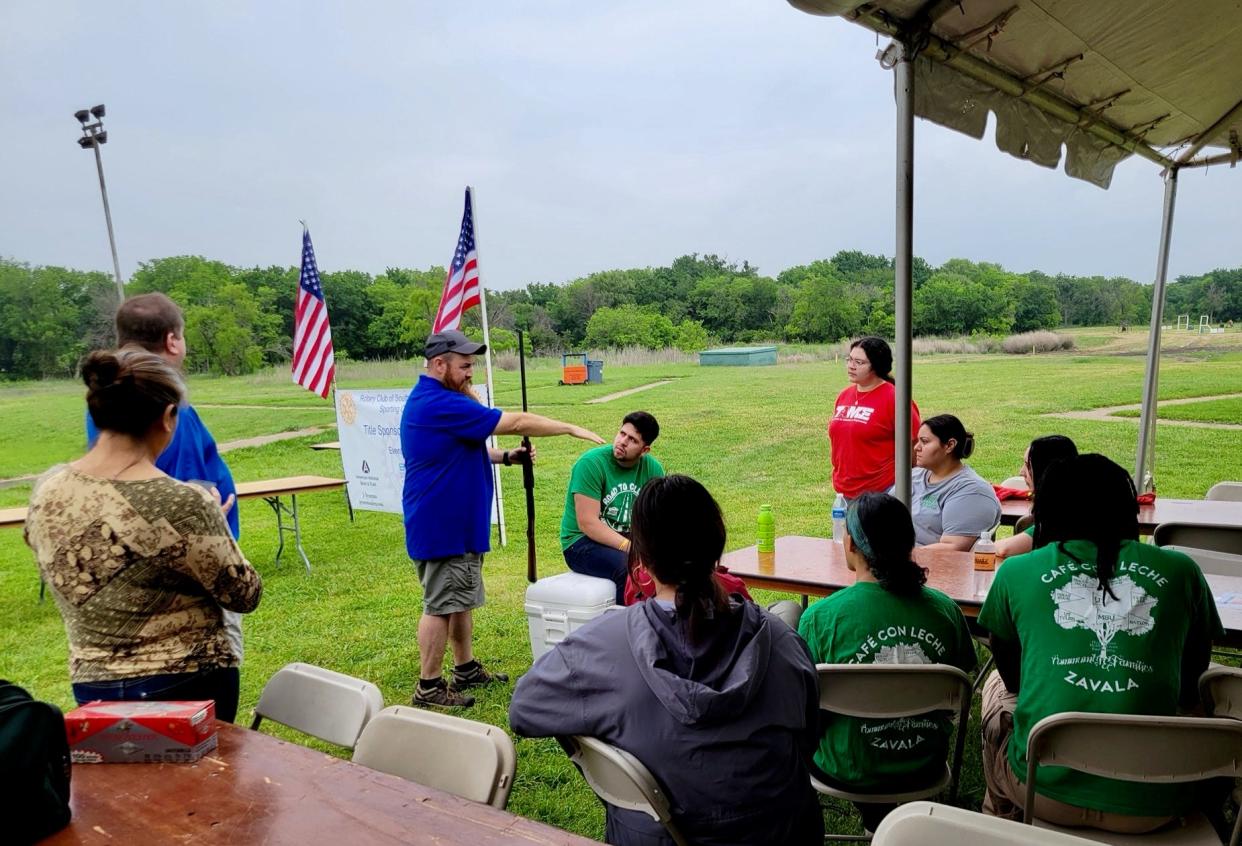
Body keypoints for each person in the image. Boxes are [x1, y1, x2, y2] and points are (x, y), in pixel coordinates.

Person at [510, 475, 823, 846]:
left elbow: (525, 709)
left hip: (659, 836)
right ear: (718, 544)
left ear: (641, 558)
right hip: (780, 834)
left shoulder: (600, 647)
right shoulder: (782, 639)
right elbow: (808, 733)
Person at [977, 454, 1222, 832]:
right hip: (1155, 802)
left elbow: (1010, 673)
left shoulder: (1016, 571)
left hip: (1041, 793)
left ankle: (1001, 822)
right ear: (1125, 507)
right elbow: (1193, 675)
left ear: (1047, 509)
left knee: (993, 688)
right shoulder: (1181, 570)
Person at [25, 349, 262, 723]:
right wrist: (211, 525)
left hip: (93, 682)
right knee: (201, 783)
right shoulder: (182, 503)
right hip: (185, 684)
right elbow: (243, 593)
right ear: (168, 418)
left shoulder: (48, 489)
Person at [402, 329, 604, 709]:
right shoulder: (438, 403)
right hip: (443, 525)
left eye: (472, 365)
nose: (470, 373)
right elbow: (516, 421)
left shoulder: (441, 400)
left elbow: (462, 447)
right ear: (439, 364)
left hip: (458, 525)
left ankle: (464, 668)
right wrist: (570, 428)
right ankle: (428, 686)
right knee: (440, 605)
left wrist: (507, 457)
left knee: (460, 600)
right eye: (464, 366)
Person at [797, 492, 976, 833]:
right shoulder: (945, 611)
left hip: (847, 770)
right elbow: (962, 673)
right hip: (924, 765)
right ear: (910, 543)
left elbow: (805, 699)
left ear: (849, 543)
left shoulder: (820, 618)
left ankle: (876, 823)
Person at [85, 292, 246, 660]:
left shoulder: (106, 399)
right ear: (172, 340)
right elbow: (194, 489)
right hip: (192, 577)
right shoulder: (170, 409)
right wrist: (206, 520)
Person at [560, 411, 665, 604]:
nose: (622, 441)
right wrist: (631, 548)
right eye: (622, 433)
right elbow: (588, 523)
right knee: (627, 569)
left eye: (632, 440)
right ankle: (625, 627)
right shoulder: (590, 464)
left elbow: (656, 518)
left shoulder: (653, 469)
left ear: (645, 450)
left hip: (628, 537)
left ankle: (665, 622)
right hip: (581, 543)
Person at [828, 336, 921, 501]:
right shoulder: (844, 395)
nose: (851, 366)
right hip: (844, 493)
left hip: (883, 491)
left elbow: (916, 444)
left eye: (859, 362)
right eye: (849, 359)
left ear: (876, 366)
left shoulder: (896, 398)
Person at [903, 414, 1001, 549]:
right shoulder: (914, 476)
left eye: (924, 441)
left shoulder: (972, 492)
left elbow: (951, 549)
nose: (916, 448)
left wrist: (896, 557)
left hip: (927, 566)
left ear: (949, 445)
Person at [995, 434, 1078, 560]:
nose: (1021, 472)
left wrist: (983, 546)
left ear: (1043, 470)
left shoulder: (1061, 515)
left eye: (1027, 465)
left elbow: (1005, 549)